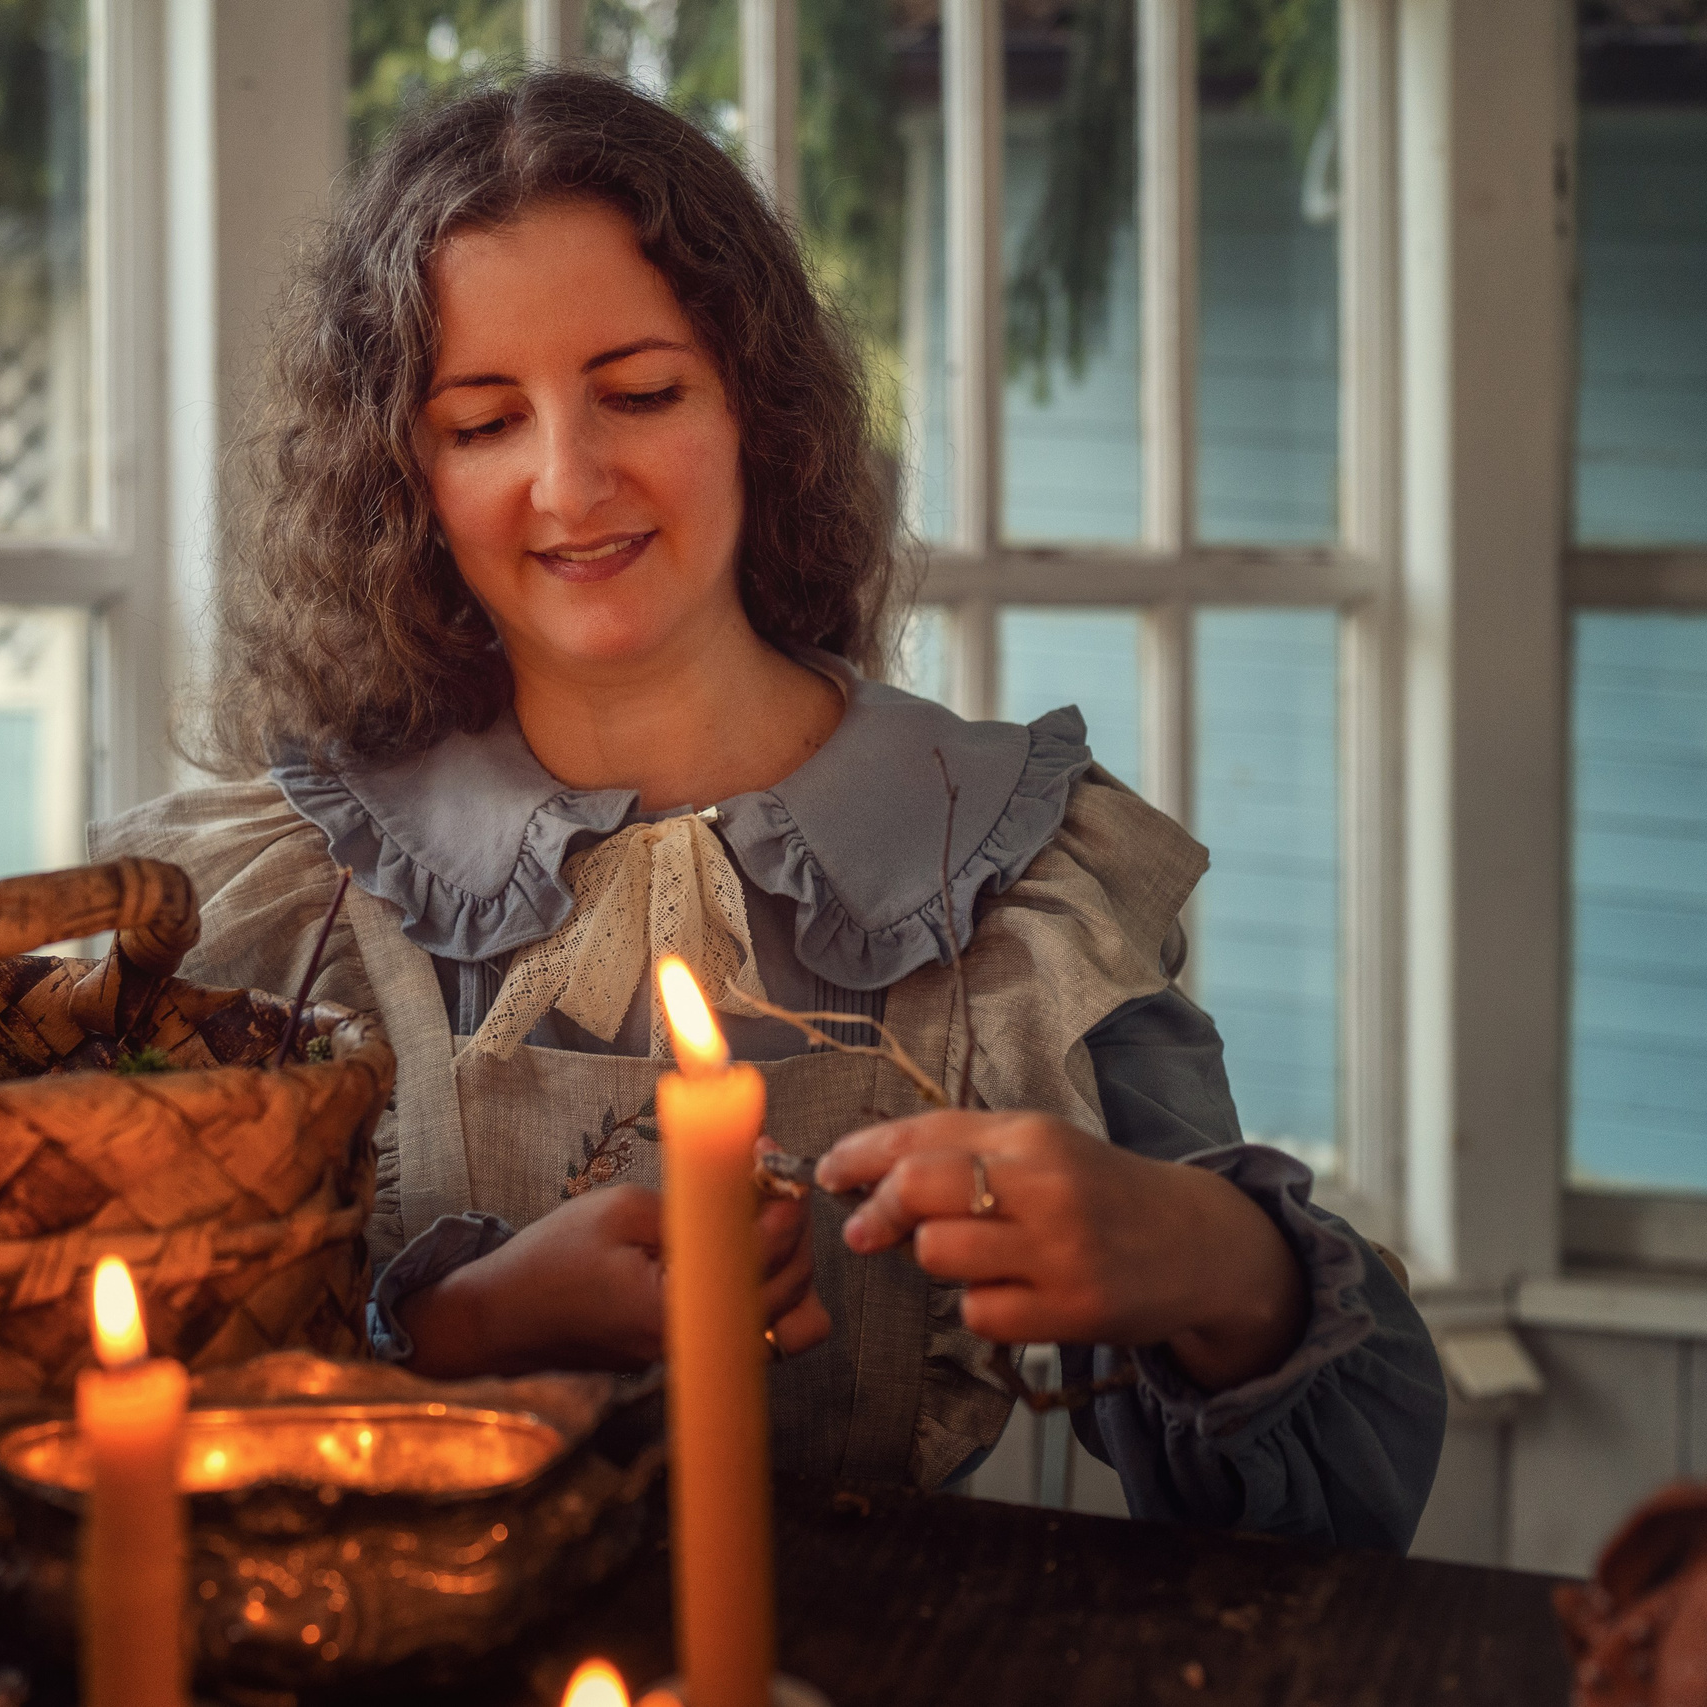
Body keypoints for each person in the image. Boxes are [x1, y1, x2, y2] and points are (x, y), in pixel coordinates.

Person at [95, 69, 1446, 1549]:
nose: (571, 479)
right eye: (483, 422)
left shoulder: (1003, 864)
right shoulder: (291, 896)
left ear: (760, 404)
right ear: (399, 479)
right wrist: (460, 1336)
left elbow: (1350, 1503)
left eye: (642, 392)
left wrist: (1209, 1259)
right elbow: (132, 1408)